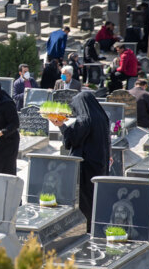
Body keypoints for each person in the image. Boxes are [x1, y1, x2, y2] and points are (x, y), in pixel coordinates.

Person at [47, 92, 109, 230]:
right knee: (95, 196)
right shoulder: (101, 116)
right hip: (99, 162)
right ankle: (96, 224)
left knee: (85, 198)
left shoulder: (84, 120)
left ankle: (86, 227)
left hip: (86, 165)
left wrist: (61, 125)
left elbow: (71, 141)